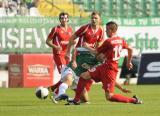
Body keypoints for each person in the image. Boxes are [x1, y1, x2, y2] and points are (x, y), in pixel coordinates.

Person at [66, 21, 143, 105]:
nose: (105, 32)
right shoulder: (121, 40)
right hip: (104, 67)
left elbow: (95, 52)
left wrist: (86, 46)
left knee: (109, 96)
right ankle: (76, 100)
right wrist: (128, 62)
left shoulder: (109, 41)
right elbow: (130, 49)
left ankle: (134, 100)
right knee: (83, 76)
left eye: (107, 30)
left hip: (110, 70)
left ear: (111, 30)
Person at [48, 11, 104, 103]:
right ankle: (59, 93)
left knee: (85, 100)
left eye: (96, 18)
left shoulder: (101, 30)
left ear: (100, 20)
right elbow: (72, 38)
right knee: (69, 79)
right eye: (92, 18)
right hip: (78, 56)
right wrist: (68, 52)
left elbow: (99, 45)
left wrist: (96, 53)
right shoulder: (85, 28)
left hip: (88, 59)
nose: (93, 20)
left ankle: (67, 98)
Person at [46, 12, 73, 102]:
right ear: (59, 19)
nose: (64, 20)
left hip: (66, 56)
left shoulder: (70, 29)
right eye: (62, 18)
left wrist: (72, 45)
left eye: (65, 18)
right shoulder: (56, 29)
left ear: (68, 19)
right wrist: (55, 46)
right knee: (66, 76)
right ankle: (57, 93)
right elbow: (48, 41)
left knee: (67, 77)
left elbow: (69, 42)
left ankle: (52, 89)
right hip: (59, 55)